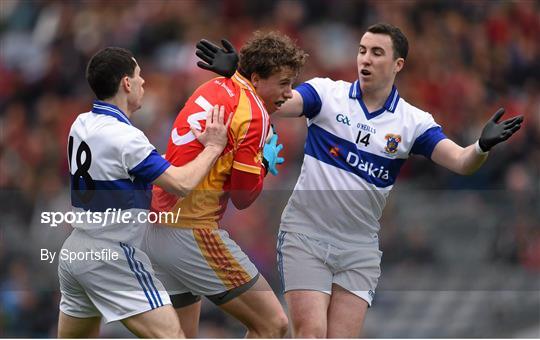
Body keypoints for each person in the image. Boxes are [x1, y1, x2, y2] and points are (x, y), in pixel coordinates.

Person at [196, 23, 524, 337]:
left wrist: (481, 146)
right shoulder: (327, 94)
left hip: (359, 249)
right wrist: (241, 78)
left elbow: (461, 161)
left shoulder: (413, 122)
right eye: (362, 50)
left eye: (377, 52)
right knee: (311, 333)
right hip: (305, 235)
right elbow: (277, 102)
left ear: (397, 64)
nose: (366, 58)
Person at [58, 47, 230, 338]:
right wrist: (213, 147)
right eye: (139, 76)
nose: (143, 83)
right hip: (110, 255)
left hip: (74, 252)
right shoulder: (127, 138)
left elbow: (126, 169)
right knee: (174, 336)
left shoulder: (81, 124)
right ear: (126, 83)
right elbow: (182, 184)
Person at [144, 32, 306, 338]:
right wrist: (263, 165)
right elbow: (243, 198)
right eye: (284, 83)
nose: (288, 93)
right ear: (256, 79)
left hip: (156, 228)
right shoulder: (254, 114)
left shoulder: (213, 86)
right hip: (191, 232)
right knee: (273, 324)